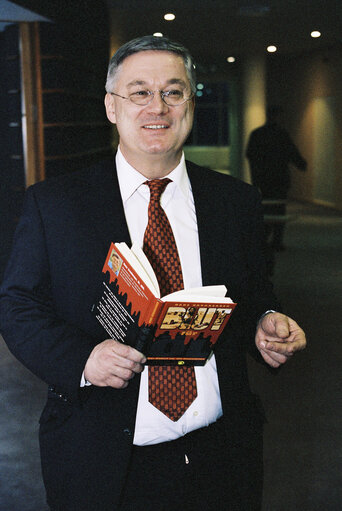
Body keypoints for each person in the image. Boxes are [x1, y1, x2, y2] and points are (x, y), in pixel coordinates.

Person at [0, 36, 306, 511]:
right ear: (111, 106)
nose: (157, 107)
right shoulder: (55, 204)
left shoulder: (234, 201)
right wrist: (83, 359)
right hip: (102, 460)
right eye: (139, 92)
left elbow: (250, 297)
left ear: (190, 101)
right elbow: (17, 306)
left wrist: (266, 321)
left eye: (173, 91)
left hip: (222, 455)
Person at [246, 105, 307, 251]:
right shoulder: (281, 134)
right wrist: (301, 164)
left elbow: (250, 154)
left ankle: (264, 239)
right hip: (279, 178)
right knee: (279, 209)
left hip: (263, 179)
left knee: (265, 209)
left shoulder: (257, 134)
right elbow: (291, 152)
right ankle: (276, 241)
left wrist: (256, 175)